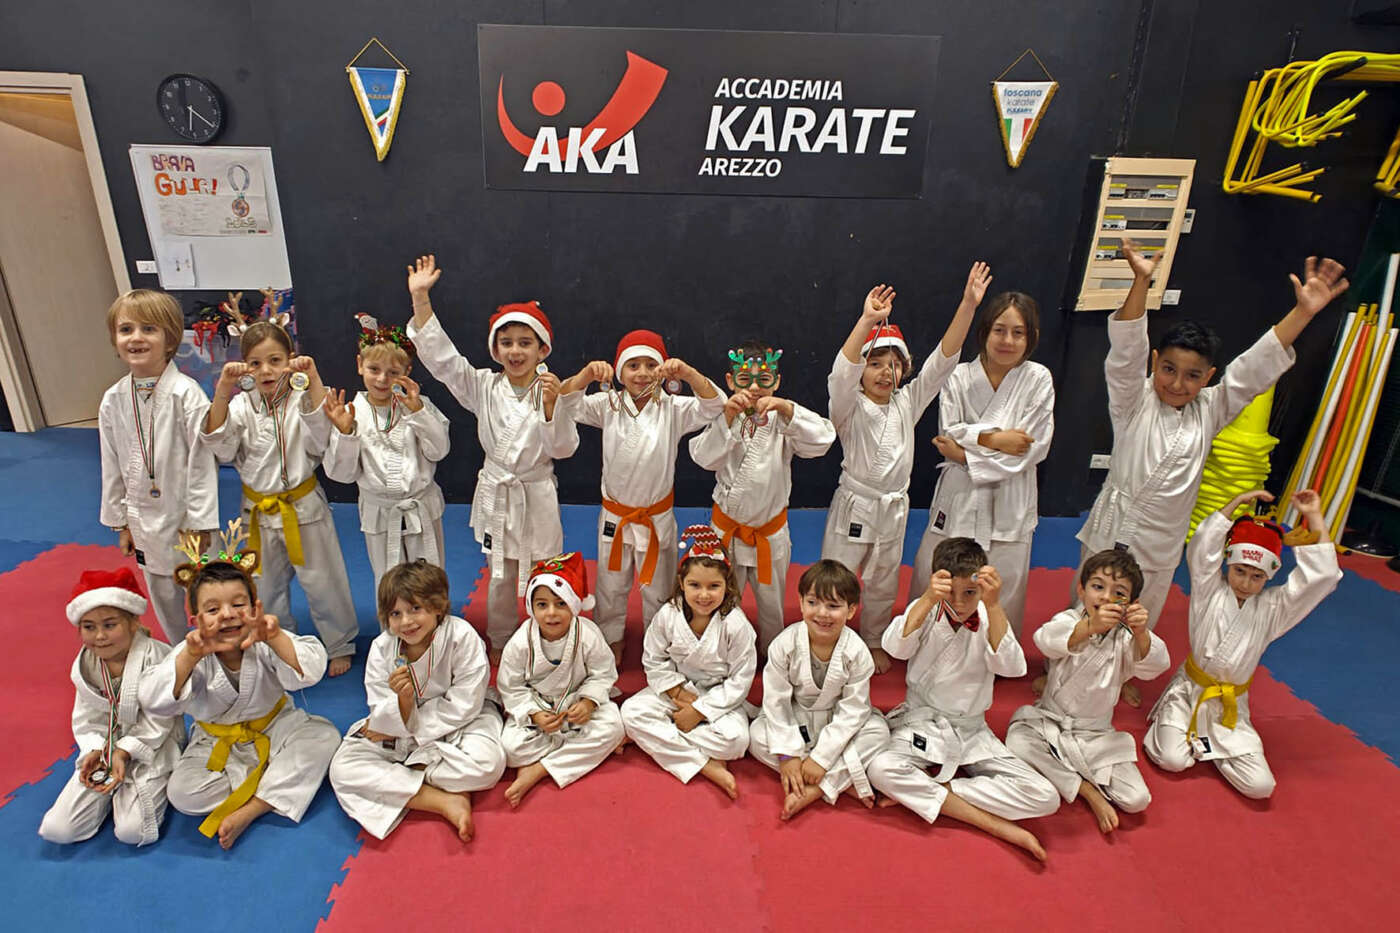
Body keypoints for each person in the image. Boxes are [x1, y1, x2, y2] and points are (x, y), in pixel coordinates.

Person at [1074, 243, 1348, 705]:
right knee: (1088, 600)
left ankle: (1120, 675)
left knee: (1141, 609)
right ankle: (1065, 666)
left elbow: (1254, 369)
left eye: (1192, 375)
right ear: (1155, 363)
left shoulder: (1212, 408)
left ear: (1208, 377)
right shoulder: (1133, 400)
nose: (1177, 383)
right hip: (1112, 524)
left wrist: (1303, 313)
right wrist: (1141, 281)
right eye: (1168, 369)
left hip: (1160, 538)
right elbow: (1125, 351)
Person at [404, 255, 578, 663]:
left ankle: (547, 634)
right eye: (507, 342)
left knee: (545, 569)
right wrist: (421, 299)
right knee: (498, 573)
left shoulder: (552, 389)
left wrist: (552, 408)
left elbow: (564, 449)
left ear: (542, 349)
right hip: (498, 491)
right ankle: (500, 638)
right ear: (495, 348)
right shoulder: (482, 385)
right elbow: (444, 361)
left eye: (525, 342)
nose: (515, 351)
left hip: (535, 493)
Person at [821, 266, 986, 672]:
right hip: (856, 504)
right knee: (838, 575)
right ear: (862, 371)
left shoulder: (907, 403)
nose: (885, 372)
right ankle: (827, 636)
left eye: (894, 365)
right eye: (875, 363)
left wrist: (968, 305)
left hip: (893, 507)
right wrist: (867, 321)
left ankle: (873, 638)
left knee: (883, 580)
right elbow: (841, 374)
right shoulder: (848, 407)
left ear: (904, 370)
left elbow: (942, 363)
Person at [141, 535, 340, 849]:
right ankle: (274, 781)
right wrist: (190, 657)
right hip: (217, 742)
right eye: (212, 609)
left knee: (324, 736)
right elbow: (154, 701)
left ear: (254, 607)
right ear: (195, 620)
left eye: (237, 604)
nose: (227, 614)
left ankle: (252, 808)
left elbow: (312, 669)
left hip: (276, 726)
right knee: (181, 793)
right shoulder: (190, 650)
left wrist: (275, 637)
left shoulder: (266, 636)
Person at [866, 538, 1057, 861]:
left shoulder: (990, 616)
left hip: (971, 731)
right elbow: (895, 648)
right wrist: (928, 597)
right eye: (950, 592)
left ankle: (939, 792)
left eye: (969, 592)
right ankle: (996, 825)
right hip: (922, 722)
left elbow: (1011, 668)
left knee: (1045, 797)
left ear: (982, 587)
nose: (959, 602)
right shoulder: (927, 608)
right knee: (880, 768)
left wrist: (994, 606)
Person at [1144, 488, 1341, 798]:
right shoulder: (1208, 589)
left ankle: (1210, 744)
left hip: (1230, 708)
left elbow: (1322, 578)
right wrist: (1235, 503)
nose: (1246, 583)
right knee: (1172, 760)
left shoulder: (1273, 609)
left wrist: (1314, 516)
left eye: (1256, 576)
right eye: (1239, 571)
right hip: (1189, 694)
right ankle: (1201, 740)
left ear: (1269, 577)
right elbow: (1202, 547)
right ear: (1228, 564)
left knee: (1261, 787)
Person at [556, 331, 726, 662]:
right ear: (619, 371)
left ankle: (657, 642)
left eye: (651, 365)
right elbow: (565, 403)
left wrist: (689, 374)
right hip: (615, 517)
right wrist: (586, 375)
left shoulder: (673, 408)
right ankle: (610, 639)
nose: (642, 373)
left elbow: (714, 405)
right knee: (610, 584)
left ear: (662, 370)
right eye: (633, 365)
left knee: (659, 588)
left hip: (656, 516)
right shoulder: (607, 404)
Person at [201, 321, 359, 676]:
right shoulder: (240, 405)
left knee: (324, 580)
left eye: (275, 360)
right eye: (255, 364)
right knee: (264, 585)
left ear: (290, 359)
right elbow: (221, 447)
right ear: (245, 368)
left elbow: (320, 440)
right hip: (256, 511)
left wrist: (313, 377)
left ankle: (339, 643)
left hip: (303, 506)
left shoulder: (303, 398)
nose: (266, 371)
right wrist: (223, 388)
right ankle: (278, 640)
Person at [908, 291, 1053, 637]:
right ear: (985, 331)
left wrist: (966, 455)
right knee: (939, 572)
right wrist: (996, 441)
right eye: (999, 330)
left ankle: (996, 647)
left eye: (1018, 333)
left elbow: (1032, 447)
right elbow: (949, 432)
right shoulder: (959, 376)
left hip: (1010, 495)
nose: (1007, 340)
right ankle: (922, 639)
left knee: (1002, 580)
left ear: (1031, 337)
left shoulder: (1038, 379)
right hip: (961, 494)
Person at [330, 561, 505, 842]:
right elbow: (379, 705)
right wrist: (402, 703)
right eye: (395, 614)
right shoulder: (382, 648)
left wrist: (409, 724)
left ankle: (405, 777)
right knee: (342, 769)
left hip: (462, 724)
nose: (406, 622)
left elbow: (466, 703)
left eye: (415, 609)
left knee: (488, 765)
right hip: (400, 729)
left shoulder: (462, 637)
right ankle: (443, 800)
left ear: (438, 607)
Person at [1006, 550, 1169, 834]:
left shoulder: (1128, 636)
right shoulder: (1070, 620)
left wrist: (1142, 632)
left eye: (1118, 593)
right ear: (1081, 590)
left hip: (1096, 735)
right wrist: (1089, 627)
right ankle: (1086, 789)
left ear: (1131, 604)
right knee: (1017, 742)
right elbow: (1044, 640)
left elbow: (1156, 666)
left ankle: (1070, 771)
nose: (1105, 597)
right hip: (1049, 723)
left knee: (1137, 800)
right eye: (1098, 587)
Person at [689, 341, 835, 651]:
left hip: (769, 533)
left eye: (764, 380)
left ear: (777, 382)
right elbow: (703, 458)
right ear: (730, 382)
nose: (754, 387)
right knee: (722, 602)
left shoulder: (783, 420)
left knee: (772, 606)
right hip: (726, 532)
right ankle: (722, 654)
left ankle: (774, 655)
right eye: (745, 379)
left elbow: (824, 439)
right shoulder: (725, 417)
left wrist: (786, 408)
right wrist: (727, 418)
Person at [99, 289, 218, 644]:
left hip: (185, 515)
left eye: (148, 329)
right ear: (115, 340)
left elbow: (202, 464)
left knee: (206, 590)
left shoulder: (186, 394)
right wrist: (122, 522)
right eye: (126, 330)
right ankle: (181, 651)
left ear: (170, 339)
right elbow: (111, 464)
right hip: (143, 517)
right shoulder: (113, 399)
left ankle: (218, 646)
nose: (136, 338)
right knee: (162, 592)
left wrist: (200, 521)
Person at [39, 569, 184, 846]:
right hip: (106, 750)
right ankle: (107, 792)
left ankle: (132, 791)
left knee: (132, 832)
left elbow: (162, 718)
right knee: (58, 829)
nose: (99, 636)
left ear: (133, 622)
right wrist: (95, 750)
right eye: (89, 627)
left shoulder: (157, 656)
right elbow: (86, 718)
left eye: (109, 625)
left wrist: (125, 751)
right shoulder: (86, 665)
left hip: (151, 747)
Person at [748, 559, 890, 821]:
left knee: (878, 733)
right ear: (801, 603)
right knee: (756, 736)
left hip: (837, 719)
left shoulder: (857, 652)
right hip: (797, 716)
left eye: (833, 606)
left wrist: (821, 759)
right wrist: (788, 754)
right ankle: (841, 779)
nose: (822, 613)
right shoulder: (784, 644)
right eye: (813, 602)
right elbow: (776, 703)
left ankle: (816, 787)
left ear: (851, 610)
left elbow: (854, 710)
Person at [621, 526, 757, 799]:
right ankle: (704, 764)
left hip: (718, 697)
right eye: (695, 585)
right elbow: (654, 659)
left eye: (714, 586)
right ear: (681, 583)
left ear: (727, 586)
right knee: (630, 712)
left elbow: (740, 679)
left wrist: (699, 711)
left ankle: (659, 737)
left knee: (737, 741)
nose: (704, 595)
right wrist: (677, 693)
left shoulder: (736, 625)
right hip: (676, 691)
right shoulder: (668, 615)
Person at [322, 315, 451, 593]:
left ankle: (435, 621)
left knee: (429, 581)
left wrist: (418, 413)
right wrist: (345, 433)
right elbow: (342, 475)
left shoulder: (419, 405)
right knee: (388, 583)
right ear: (360, 365)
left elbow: (439, 450)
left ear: (407, 371)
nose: (382, 379)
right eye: (374, 369)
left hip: (420, 506)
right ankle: (392, 622)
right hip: (379, 512)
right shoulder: (352, 413)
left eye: (393, 372)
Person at [496, 552, 624, 808]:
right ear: (531, 607)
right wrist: (534, 714)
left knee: (614, 727)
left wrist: (588, 702)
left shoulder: (587, 634)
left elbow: (603, 673)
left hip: (577, 702)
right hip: (539, 707)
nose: (551, 613)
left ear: (574, 605)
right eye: (542, 605)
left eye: (561, 603)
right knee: (508, 750)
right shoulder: (520, 643)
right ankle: (578, 749)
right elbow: (511, 688)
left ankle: (540, 768)